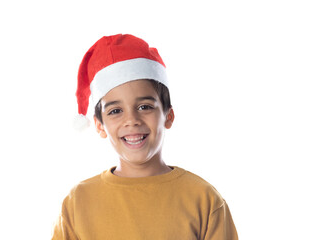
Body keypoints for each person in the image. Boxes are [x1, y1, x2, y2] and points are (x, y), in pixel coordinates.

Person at [52, 34, 238, 239]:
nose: (132, 120)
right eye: (115, 111)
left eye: (144, 107)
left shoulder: (204, 200)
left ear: (168, 115)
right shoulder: (78, 202)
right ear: (100, 125)